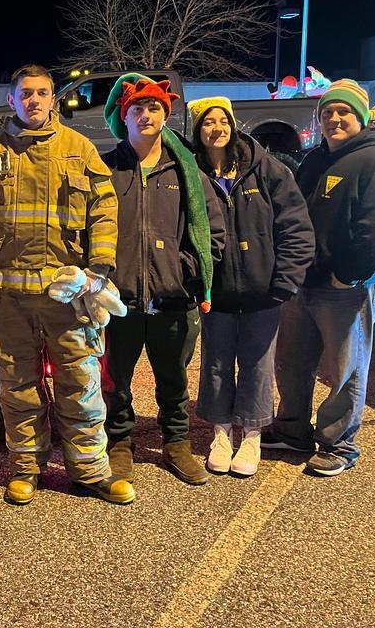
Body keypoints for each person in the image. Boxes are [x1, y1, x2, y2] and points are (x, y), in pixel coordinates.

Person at [0, 64, 133, 505]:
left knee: (80, 383)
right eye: (26, 94)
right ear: (12, 100)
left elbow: (104, 209)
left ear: (52, 98)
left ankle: (91, 473)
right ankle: (26, 469)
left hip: (67, 295)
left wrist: (99, 268)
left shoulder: (79, 149)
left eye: (42, 93)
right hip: (10, 296)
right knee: (18, 388)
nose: (34, 100)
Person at [264, 80, 375, 476]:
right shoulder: (314, 161)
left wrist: (350, 275)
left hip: (346, 286)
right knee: (291, 361)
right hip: (305, 281)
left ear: (360, 116)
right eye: (327, 113)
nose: (334, 119)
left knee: (345, 368)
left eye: (343, 112)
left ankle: (338, 444)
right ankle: (292, 430)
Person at [100, 75, 226, 486]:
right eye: (138, 108)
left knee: (173, 379)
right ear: (125, 116)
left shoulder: (186, 171)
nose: (146, 114)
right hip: (119, 301)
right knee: (115, 381)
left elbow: (213, 233)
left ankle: (176, 444)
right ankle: (120, 444)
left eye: (154, 107)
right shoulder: (106, 168)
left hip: (173, 299)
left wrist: (186, 272)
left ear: (165, 114)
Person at [188, 96, 314, 477]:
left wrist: (285, 281)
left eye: (222, 120)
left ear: (232, 124)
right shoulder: (192, 174)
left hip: (263, 291)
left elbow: (296, 228)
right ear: (197, 130)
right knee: (216, 363)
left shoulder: (267, 169)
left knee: (258, 365)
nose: (217, 128)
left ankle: (253, 433)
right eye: (208, 122)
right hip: (217, 292)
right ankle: (222, 432)